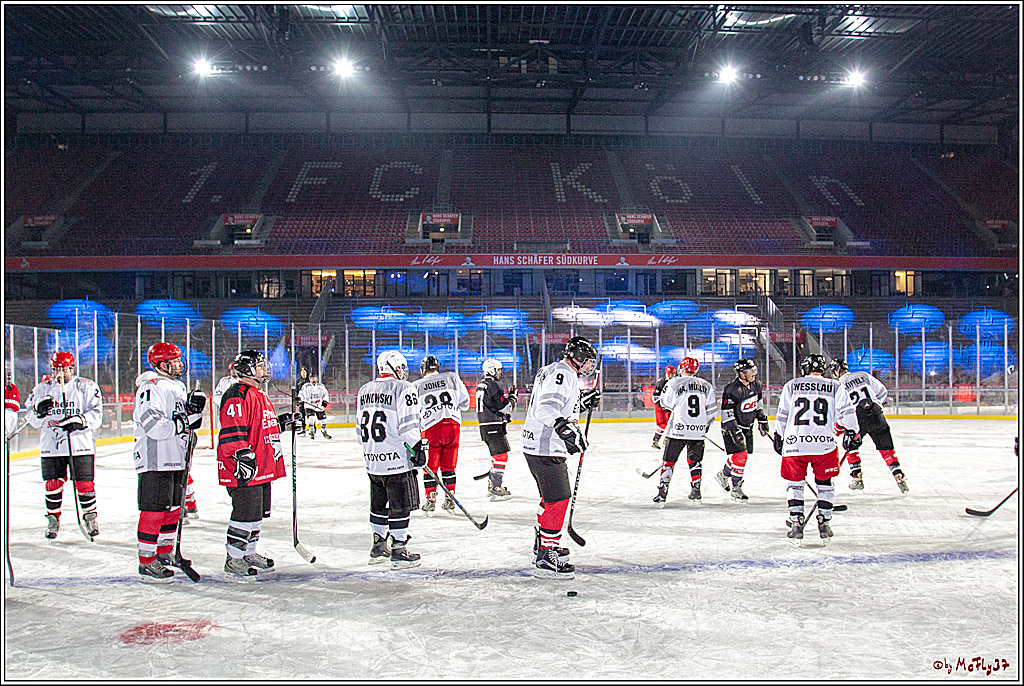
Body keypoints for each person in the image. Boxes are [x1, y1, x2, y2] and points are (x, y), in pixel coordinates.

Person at [521, 336, 601, 579]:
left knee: (549, 497)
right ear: (575, 357)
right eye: (586, 360)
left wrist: (581, 403)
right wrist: (565, 429)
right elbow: (545, 408)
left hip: (535, 444)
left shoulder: (553, 370)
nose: (589, 366)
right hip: (545, 446)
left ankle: (543, 540)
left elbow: (559, 403)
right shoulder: (563, 373)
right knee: (559, 498)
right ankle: (547, 554)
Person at [132, 342, 205, 582]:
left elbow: (187, 424)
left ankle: (165, 553)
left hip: (175, 457)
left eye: (178, 360)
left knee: (173, 509)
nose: (178, 365)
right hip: (156, 459)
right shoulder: (150, 388)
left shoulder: (178, 387)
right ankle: (146, 561)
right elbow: (154, 427)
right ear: (160, 364)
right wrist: (184, 422)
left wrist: (195, 412)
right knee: (154, 510)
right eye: (172, 361)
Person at [217, 350, 290, 581]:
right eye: (258, 366)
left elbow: (259, 427)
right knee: (244, 513)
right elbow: (233, 427)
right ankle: (233, 559)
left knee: (256, 513)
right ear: (247, 369)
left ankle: (248, 553)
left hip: (261, 466)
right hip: (245, 466)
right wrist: (240, 455)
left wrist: (282, 424)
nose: (263, 370)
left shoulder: (257, 393)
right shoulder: (237, 393)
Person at [773, 354, 860, 542]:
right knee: (825, 483)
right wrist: (853, 432)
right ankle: (824, 521)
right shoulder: (836, 386)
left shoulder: (791, 385)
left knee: (794, 483)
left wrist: (778, 436)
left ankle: (796, 521)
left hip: (795, 443)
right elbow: (847, 412)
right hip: (824, 444)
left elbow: (783, 415)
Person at [356, 350, 425, 569]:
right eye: (401, 367)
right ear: (392, 366)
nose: (403, 372)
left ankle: (378, 547)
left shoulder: (364, 390)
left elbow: (359, 430)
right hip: (396, 459)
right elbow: (409, 425)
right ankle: (398, 549)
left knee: (378, 503)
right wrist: (417, 447)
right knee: (400, 505)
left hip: (373, 459)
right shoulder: (404, 388)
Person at [25, 352, 103, 540]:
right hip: (51, 446)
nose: (61, 373)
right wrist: (38, 411)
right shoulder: (42, 389)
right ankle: (53, 519)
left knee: (84, 484)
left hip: (80, 445)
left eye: (65, 369)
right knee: (52, 484)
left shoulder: (86, 386)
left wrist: (80, 420)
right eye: (57, 369)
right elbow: (31, 418)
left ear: (72, 368)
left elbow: (97, 415)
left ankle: (90, 517)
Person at [826, 358, 909, 493]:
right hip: (877, 414)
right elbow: (882, 392)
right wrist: (874, 404)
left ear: (835, 371)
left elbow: (840, 411)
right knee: (886, 448)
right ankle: (898, 474)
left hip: (857, 419)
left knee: (851, 446)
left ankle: (857, 477)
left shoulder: (838, 385)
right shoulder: (863, 375)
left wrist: (838, 427)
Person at [653, 357, 717, 503]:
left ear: (682, 368)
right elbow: (712, 412)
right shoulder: (706, 385)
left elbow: (665, 403)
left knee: (668, 461)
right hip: (698, 432)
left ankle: (663, 491)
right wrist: (703, 426)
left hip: (678, 430)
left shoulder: (674, 382)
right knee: (695, 461)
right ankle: (696, 489)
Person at [413, 355, 470, 513]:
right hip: (453, 425)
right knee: (449, 466)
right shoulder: (451, 377)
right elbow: (465, 404)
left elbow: (413, 413)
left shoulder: (416, 386)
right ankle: (450, 497)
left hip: (431, 428)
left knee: (430, 466)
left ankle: (430, 500)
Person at [714, 358, 769, 502]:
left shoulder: (756, 385)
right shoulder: (732, 389)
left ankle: (724, 474)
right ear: (742, 373)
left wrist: (762, 418)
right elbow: (727, 412)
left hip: (747, 426)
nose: (754, 372)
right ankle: (736, 488)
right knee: (741, 456)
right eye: (750, 370)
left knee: (740, 456)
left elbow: (758, 404)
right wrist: (734, 429)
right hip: (731, 427)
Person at [476, 359, 517, 501]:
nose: (500, 373)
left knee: (497, 455)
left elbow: (492, 404)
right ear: (492, 370)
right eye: (498, 370)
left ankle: (493, 483)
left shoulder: (482, 385)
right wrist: (512, 398)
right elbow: (505, 408)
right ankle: (495, 487)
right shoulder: (492, 385)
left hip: (485, 426)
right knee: (501, 456)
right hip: (493, 425)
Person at [297, 371, 331, 440]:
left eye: (314, 378)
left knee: (323, 420)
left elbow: (325, 394)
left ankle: (324, 431)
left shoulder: (321, 386)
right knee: (311, 418)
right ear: (309, 379)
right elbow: (301, 394)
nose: (313, 379)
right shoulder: (306, 386)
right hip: (309, 406)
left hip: (318, 406)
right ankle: (311, 431)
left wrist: (325, 401)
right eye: (312, 378)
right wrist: (300, 399)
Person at [651, 365, 676, 449]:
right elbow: (655, 397)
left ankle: (666, 439)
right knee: (663, 424)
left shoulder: (676, 381)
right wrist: (662, 406)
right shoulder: (661, 382)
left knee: (671, 423)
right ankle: (656, 440)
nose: (670, 376)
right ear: (666, 373)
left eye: (672, 374)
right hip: (661, 406)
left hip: (669, 406)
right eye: (669, 374)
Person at [294, 367, 311, 435]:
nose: (303, 373)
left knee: (310, 415)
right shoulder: (298, 381)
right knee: (302, 415)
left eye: (304, 372)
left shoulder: (309, 381)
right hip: (301, 401)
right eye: (302, 372)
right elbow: (296, 391)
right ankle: (303, 428)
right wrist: (297, 399)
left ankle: (312, 428)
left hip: (309, 401)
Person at [5, 373, 20, 439]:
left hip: (13, 411)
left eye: (9, 378)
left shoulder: (13, 388)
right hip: (6, 411)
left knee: (7, 434)